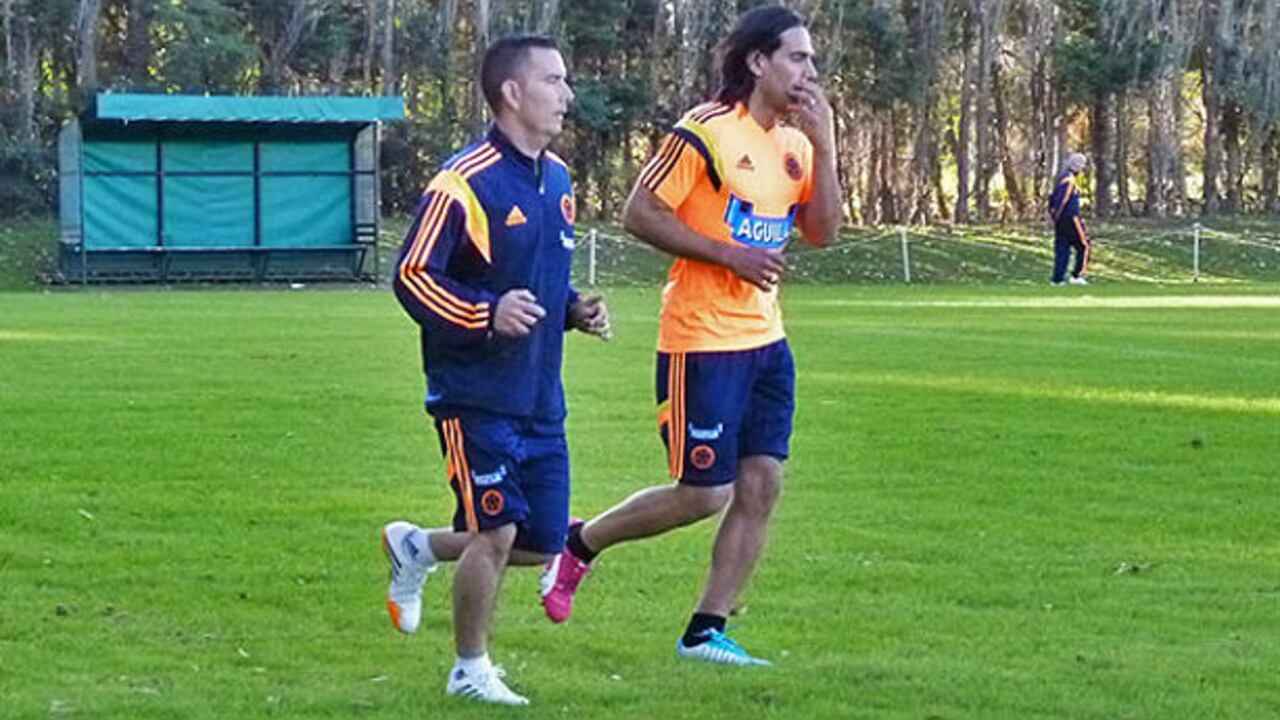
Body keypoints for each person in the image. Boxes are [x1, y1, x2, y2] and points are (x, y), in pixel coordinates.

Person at [538, 5, 840, 667]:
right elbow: (638, 212)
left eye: (812, 60)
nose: (808, 71)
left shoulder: (796, 143)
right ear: (758, 62)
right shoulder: (704, 131)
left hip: (767, 341)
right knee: (706, 492)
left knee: (762, 485)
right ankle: (580, 543)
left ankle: (705, 632)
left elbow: (824, 232)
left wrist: (827, 143)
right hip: (701, 341)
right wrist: (727, 255)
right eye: (797, 56)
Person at [380, 35, 610, 706]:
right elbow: (412, 276)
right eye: (555, 80)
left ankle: (417, 548)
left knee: (538, 544)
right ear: (512, 92)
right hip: (474, 394)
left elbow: (532, 280)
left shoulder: (559, 180)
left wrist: (572, 310)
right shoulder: (463, 181)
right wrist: (485, 313)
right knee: (495, 531)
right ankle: (469, 668)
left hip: (540, 396)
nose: (568, 94)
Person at [1048, 152, 1091, 285]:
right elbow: (1061, 200)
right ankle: (1077, 275)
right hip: (1071, 219)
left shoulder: (1062, 178)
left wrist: (1055, 218)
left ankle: (1057, 279)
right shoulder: (1069, 180)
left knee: (1063, 248)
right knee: (1084, 245)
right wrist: (1059, 216)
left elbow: (1052, 200)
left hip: (1062, 220)